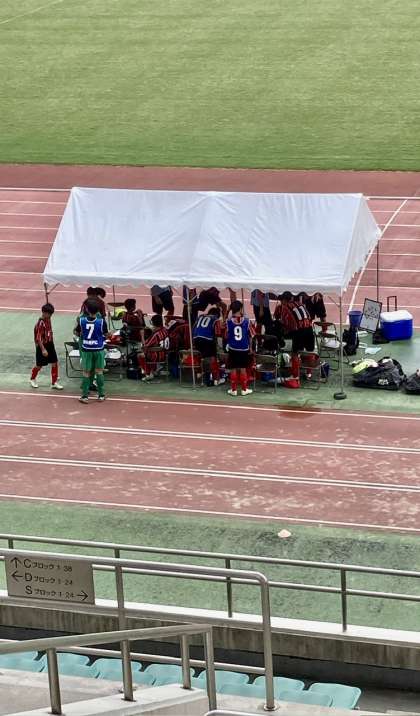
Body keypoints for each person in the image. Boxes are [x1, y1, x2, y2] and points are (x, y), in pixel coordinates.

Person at [74, 299, 109, 403]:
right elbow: (106, 335)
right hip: (98, 349)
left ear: (87, 310)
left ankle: (85, 396)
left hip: (86, 349)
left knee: (86, 372)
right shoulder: (101, 321)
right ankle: (101, 395)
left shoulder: (81, 321)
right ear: (98, 310)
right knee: (99, 371)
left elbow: (77, 333)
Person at [30, 303, 63, 390]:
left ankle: (54, 382)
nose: (50, 316)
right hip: (42, 346)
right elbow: (38, 338)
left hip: (50, 344)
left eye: (51, 314)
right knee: (39, 365)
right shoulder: (40, 324)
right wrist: (43, 349)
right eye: (49, 314)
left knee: (54, 362)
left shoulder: (48, 319)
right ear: (44, 313)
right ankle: (32, 379)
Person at [225, 300, 254, 396]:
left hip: (233, 348)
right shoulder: (247, 321)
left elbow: (225, 334)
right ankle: (244, 389)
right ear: (241, 309)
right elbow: (251, 335)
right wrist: (250, 347)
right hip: (244, 348)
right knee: (243, 368)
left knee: (233, 368)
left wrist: (227, 312)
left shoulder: (228, 321)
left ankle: (233, 390)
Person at [192, 307, 224, 385]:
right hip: (207, 339)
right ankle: (216, 379)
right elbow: (218, 333)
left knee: (202, 356)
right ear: (217, 314)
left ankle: (201, 373)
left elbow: (193, 328)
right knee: (212, 358)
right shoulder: (215, 319)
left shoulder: (200, 316)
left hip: (196, 339)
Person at [138, 314, 170, 381]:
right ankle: (154, 370)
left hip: (157, 356)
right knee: (150, 351)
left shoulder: (156, 334)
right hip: (165, 355)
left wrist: (142, 336)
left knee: (141, 354)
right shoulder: (165, 330)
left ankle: (148, 373)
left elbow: (145, 346)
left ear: (153, 323)